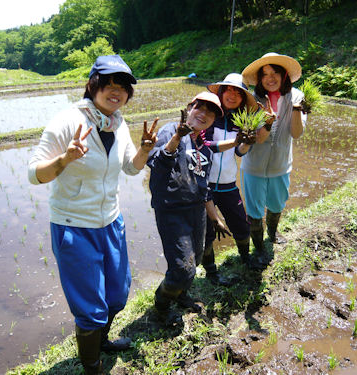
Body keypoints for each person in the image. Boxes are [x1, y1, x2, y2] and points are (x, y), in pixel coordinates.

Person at [28, 55, 158, 375]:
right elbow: (34, 174)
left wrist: (144, 149)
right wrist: (65, 158)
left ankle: (102, 340)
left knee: (117, 294)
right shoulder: (67, 121)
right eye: (108, 84)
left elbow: (130, 168)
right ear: (93, 85)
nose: (116, 91)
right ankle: (92, 366)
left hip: (111, 222)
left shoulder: (119, 122)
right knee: (90, 307)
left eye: (122, 86)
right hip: (74, 226)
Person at [147, 92, 229, 324]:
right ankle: (161, 309)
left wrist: (214, 217)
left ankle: (181, 295)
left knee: (197, 259)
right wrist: (176, 138)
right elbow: (155, 162)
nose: (204, 114)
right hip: (172, 210)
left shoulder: (203, 145)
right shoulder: (170, 131)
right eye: (200, 108)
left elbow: (203, 186)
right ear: (189, 107)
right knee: (183, 269)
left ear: (213, 120)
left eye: (211, 112)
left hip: (196, 211)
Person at [241, 52, 307, 264]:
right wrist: (267, 121)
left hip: (281, 164)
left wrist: (296, 110)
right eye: (265, 74)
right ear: (259, 79)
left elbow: (296, 133)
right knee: (254, 210)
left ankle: (273, 234)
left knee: (277, 204)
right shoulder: (251, 100)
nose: (270, 78)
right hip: (253, 167)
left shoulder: (297, 97)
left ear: (284, 74)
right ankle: (259, 248)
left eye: (275, 72)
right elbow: (257, 139)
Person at [201, 73, 260, 284]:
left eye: (238, 92)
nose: (233, 95)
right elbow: (205, 146)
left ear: (243, 98)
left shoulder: (241, 121)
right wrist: (235, 141)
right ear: (222, 92)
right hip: (204, 185)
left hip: (227, 184)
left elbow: (240, 153)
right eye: (229, 90)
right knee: (206, 232)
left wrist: (247, 142)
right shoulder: (209, 115)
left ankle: (246, 258)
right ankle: (211, 273)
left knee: (241, 225)